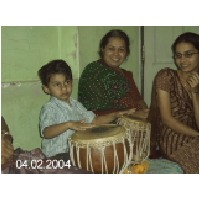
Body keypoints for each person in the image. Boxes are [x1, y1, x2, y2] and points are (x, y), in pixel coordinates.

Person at [38, 59, 135, 160]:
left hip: (75, 152)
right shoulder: (49, 108)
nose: (64, 88)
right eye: (57, 84)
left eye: (67, 82)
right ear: (46, 88)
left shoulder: (76, 105)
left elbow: (94, 121)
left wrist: (115, 115)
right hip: (57, 156)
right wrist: (69, 124)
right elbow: (46, 132)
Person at [149, 32, 199, 174]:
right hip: (173, 135)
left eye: (189, 54)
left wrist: (195, 93)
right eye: (178, 56)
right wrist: (196, 135)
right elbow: (166, 118)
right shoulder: (166, 77)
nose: (183, 60)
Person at [78, 29, 149, 118]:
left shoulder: (126, 75)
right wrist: (133, 115)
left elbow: (139, 100)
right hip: (103, 127)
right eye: (111, 49)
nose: (116, 54)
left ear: (126, 53)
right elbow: (96, 112)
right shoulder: (93, 72)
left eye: (121, 50)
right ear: (103, 49)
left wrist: (146, 111)